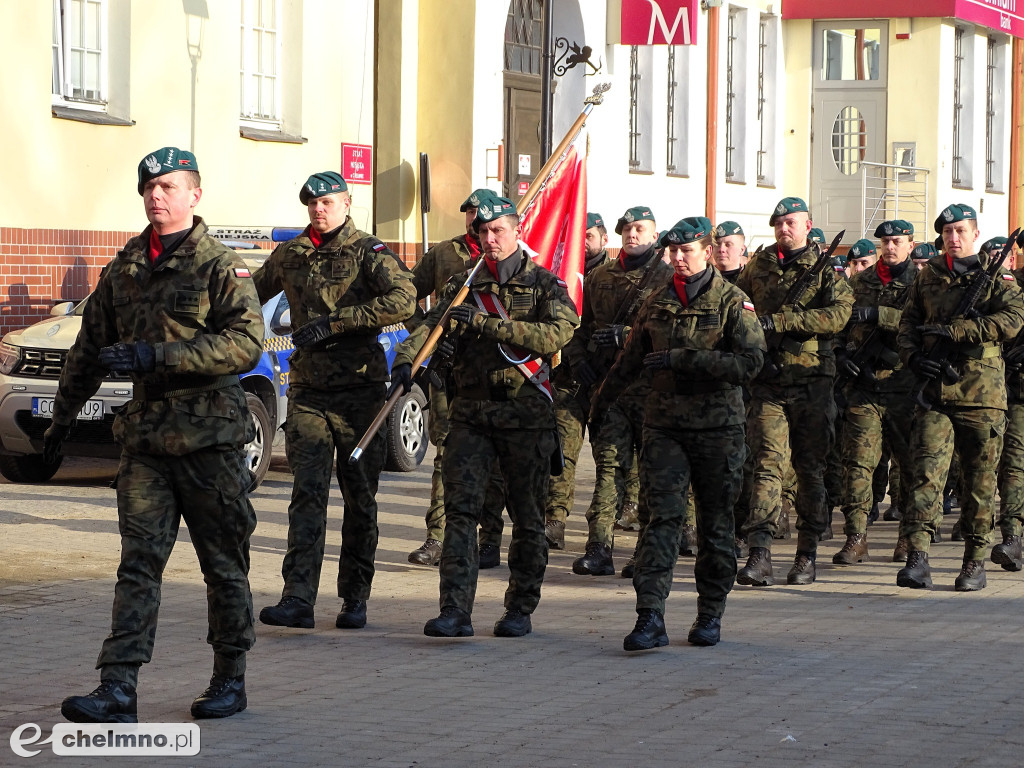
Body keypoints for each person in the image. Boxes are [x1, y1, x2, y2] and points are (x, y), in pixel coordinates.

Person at [51, 147, 265, 722]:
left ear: (195, 194)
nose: (156, 196)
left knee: (223, 564)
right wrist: (61, 418)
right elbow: (89, 346)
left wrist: (157, 354)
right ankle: (118, 687)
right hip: (146, 444)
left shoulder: (222, 266)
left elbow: (246, 346)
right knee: (138, 564)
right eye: (149, 187)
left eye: (169, 187)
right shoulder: (124, 267)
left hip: (209, 442)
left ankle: (229, 676)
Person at [392, 196, 579, 638]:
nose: (490, 240)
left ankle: (519, 608)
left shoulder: (544, 285)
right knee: (460, 512)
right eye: (482, 232)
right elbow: (428, 326)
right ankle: (455, 610)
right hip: (471, 416)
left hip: (524, 415)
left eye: (498, 231)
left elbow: (556, 334)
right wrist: (406, 359)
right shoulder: (464, 283)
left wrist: (487, 325)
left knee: (527, 515)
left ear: (517, 232)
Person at [592, 218, 765, 649]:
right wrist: (598, 406)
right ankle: (650, 616)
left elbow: (751, 363)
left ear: (707, 252)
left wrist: (688, 360)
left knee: (715, 524)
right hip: (665, 428)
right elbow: (629, 362)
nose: (678, 259)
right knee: (660, 521)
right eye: (673, 252)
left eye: (687, 251)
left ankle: (710, 614)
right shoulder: (656, 302)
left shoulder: (733, 302)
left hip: (717, 430)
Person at [254, 171, 416, 629]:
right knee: (306, 494)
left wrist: (342, 322)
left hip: (360, 393)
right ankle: (298, 597)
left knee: (360, 497)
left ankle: (354, 597)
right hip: (308, 392)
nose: (319, 210)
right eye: (312, 204)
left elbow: (406, 298)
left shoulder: (369, 252)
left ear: (347, 203)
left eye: (327, 202)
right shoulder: (291, 254)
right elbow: (249, 297)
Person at [897, 204, 1024, 590]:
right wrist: (915, 357)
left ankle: (974, 561)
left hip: (982, 395)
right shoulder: (929, 276)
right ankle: (918, 558)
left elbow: (1013, 319)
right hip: (936, 393)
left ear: (974, 232)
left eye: (960, 231)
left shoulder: (996, 276)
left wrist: (961, 332)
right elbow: (907, 323)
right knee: (925, 474)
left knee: (980, 481)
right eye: (947, 232)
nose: (953, 239)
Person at [735, 196, 854, 586]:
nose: (784, 229)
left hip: (811, 382)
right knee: (766, 465)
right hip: (768, 383)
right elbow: (738, 307)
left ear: (807, 224)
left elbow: (838, 315)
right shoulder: (759, 265)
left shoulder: (824, 270)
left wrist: (785, 322)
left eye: (792, 222)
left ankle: (806, 553)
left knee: (810, 469)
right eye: (779, 223)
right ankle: (760, 552)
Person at [565, 206, 673, 577]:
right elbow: (584, 326)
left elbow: (672, 335)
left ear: (654, 235)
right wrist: (579, 358)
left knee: (650, 473)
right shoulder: (601, 276)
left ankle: (646, 550)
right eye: (627, 228)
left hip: (650, 391)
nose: (632, 234)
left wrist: (625, 336)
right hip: (610, 390)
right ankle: (599, 547)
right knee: (608, 469)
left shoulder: (668, 277)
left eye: (640, 228)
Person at [406, 189, 507, 569]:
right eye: (470, 214)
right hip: (449, 368)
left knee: (495, 458)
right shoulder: (445, 254)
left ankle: (490, 538)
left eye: (481, 215)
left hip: (496, 369)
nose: (474, 220)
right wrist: (427, 338)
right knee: (446, 455)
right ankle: (437, 537)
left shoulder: (511, 260)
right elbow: (407, 295)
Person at [833, 220, 918, 565]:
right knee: (857, 463)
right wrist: (840, 354)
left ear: (911, 245)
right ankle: (856, 535)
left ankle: (909, 538)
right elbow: (841, 321)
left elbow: (923, 323)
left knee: (911, 464)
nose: (891, 247)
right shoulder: (861, 281)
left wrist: (879, 314)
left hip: (904, 386)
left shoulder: (923, 283)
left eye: (897, 241)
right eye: (885, 241)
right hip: (865, 386)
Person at [544, 212, 614, 547]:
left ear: (603, 238)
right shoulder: (562, 273)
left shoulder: (616, 278)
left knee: (610, 459)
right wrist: (576, 358)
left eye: (589, 236)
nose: (583, 242)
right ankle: (554, 520)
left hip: (606, 382)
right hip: (571, 379)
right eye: (578, 236)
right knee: (561, 455)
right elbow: (560, 325)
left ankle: (603, 532)